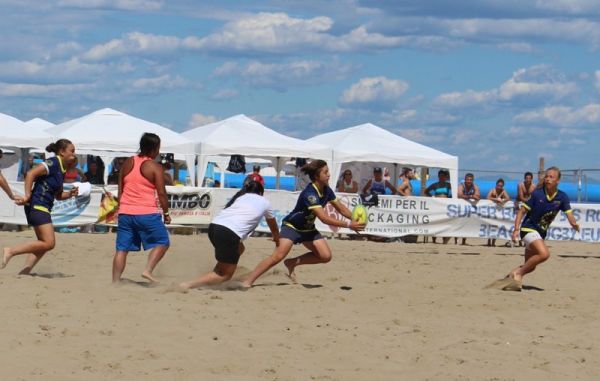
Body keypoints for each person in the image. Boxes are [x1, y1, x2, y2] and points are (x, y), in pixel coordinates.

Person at [242, 160, 365, 288]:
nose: (329, 175)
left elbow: (341, 208)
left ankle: (292, 262)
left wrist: (355, 220)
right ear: (317, 176)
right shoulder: (310, 194)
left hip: (308, 229)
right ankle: (248, 281)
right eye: (326, 172)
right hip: (292, 227)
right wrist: (349, 225)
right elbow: (323, 218)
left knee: (325, 256)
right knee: (277, 256)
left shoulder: (327, 190)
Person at [179, 181, 280, 290]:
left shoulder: (241, 197)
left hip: (214, 227)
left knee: (240, 248)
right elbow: (272, 224)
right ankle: (186, 285)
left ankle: (216, 273)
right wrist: (276, 237)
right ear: (261, 192)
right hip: (228, 233)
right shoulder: (264, 201)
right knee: (225, 276)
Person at [2, 139, 79, 274]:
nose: (74, 154)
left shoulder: (62, 169)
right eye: (72, 151)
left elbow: (59, 195)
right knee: (49, 243)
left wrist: (70, 194)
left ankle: (25, 272)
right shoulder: (54, 162)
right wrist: (27, 195)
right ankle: (10, 251)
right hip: (38, 205)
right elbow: (31, 173)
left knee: (43, 243)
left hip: (42, 207)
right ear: (62, 152)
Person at [505, 167, 579, 290]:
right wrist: (516, 230)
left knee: (531, 266)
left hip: (540, 234)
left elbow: (569, 215)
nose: (548, 179)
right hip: (528, 229)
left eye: (551, 177)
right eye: (547, 176)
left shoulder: (562, 197)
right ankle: (518, 274)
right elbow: (521, 212)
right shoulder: (537, 194)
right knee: (544, 254)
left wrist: (574, 224)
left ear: (558, 180)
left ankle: (509, 279)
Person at [112, 133, 171, 284]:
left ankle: (116, 281)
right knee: (163, 242)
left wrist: (121, 206)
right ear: (154, 149)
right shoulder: (155, 167)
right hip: (146, 212)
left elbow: (120, 188)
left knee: (121, 249)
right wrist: (166, 213)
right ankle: (148, 270)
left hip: (125, 212)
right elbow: (162, 194)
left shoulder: (127, 162)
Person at [425, 169, 452, 243]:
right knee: (436, 221)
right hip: (437, 204)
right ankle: (434, 238)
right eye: (440, 176)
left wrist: (450, 198)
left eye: (443, 176)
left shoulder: (448, 184)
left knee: (445, 221)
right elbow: (426, 191)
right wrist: (432, 196)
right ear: (438, 176)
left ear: (445, 177)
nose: (441, 177)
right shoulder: (435, 184)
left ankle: (445, 238)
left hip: (445, 204)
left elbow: (455, 191)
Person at [457, 173, 481, 245]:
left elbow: (478, 196)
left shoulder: (475, 186)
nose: (469, 181)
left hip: (468, 208)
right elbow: (459, 195)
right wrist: (471, 196)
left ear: (473, 180)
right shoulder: (461, 185)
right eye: (467, 179)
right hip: (460, 206)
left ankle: (464, 241)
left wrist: (470, 196)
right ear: (465, 180)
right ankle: (456, 240)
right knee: (458, 222)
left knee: (466, 223)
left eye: (470, 180)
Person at [486, 178, 511, 246]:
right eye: (498, 185)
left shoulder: (503, 191)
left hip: (498, 211)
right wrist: (496, 199)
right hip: (491, 210)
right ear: (496, 185)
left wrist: (502, 201)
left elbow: (508, 198)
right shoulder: (492, 190)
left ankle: (493, 242)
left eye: (501, 186)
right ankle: (489, 240)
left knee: (496, 225)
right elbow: (487, 197)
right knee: (490, 225)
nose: (499, 187)